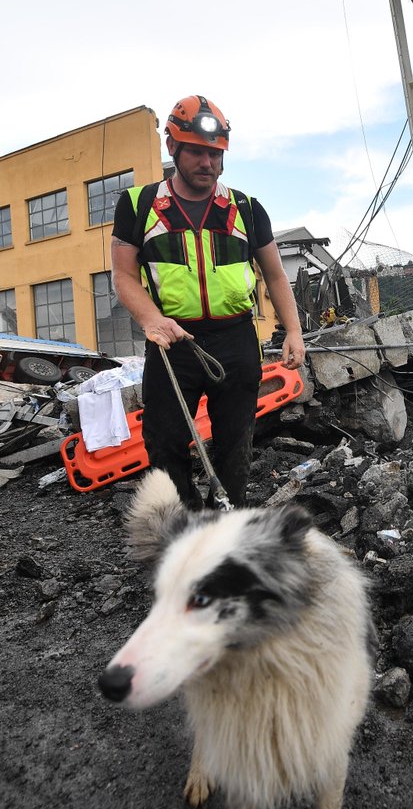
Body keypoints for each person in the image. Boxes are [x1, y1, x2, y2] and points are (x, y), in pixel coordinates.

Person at [111, 94, 305, 508]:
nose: (208, 163)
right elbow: (124, 275)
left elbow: (275, 275)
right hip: (171, 343)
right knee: (163, 445)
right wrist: (150, 319)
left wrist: (293, 331)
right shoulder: (138, 205)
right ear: (173, 148)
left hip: (235, 341)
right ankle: (188, 520)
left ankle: (227, 525)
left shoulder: (247, 210)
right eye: (197, 152)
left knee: (235, 446)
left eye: (216, 154)